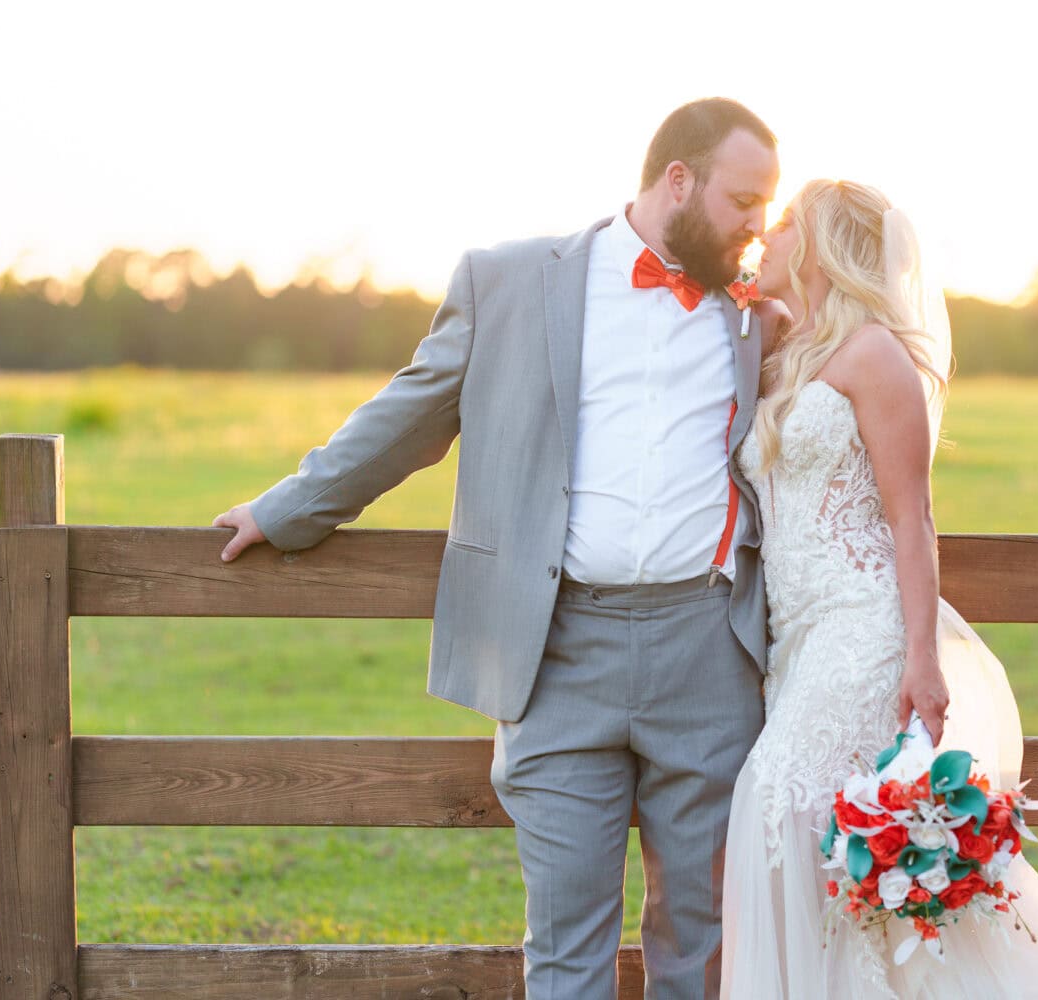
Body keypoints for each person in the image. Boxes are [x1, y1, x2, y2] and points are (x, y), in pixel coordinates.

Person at [213, 98, 837, 1000]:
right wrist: (289, 507)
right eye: (745, 201)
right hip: (554, 656)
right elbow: (411, 414)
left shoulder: (757, 315)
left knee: (704, 942)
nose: (759, 226)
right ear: (678, 181)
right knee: (566, 946)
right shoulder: (509, 282)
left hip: (709, 655)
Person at [719, 179, 1038, 998]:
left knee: (774, 801)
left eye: (787, 222)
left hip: (862, 628)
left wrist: (921, 662)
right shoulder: (783, 353)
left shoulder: (874, 354)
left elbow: (913, 520)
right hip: (793, 642)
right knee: (829, 848)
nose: (767, 235)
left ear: (825, 244)